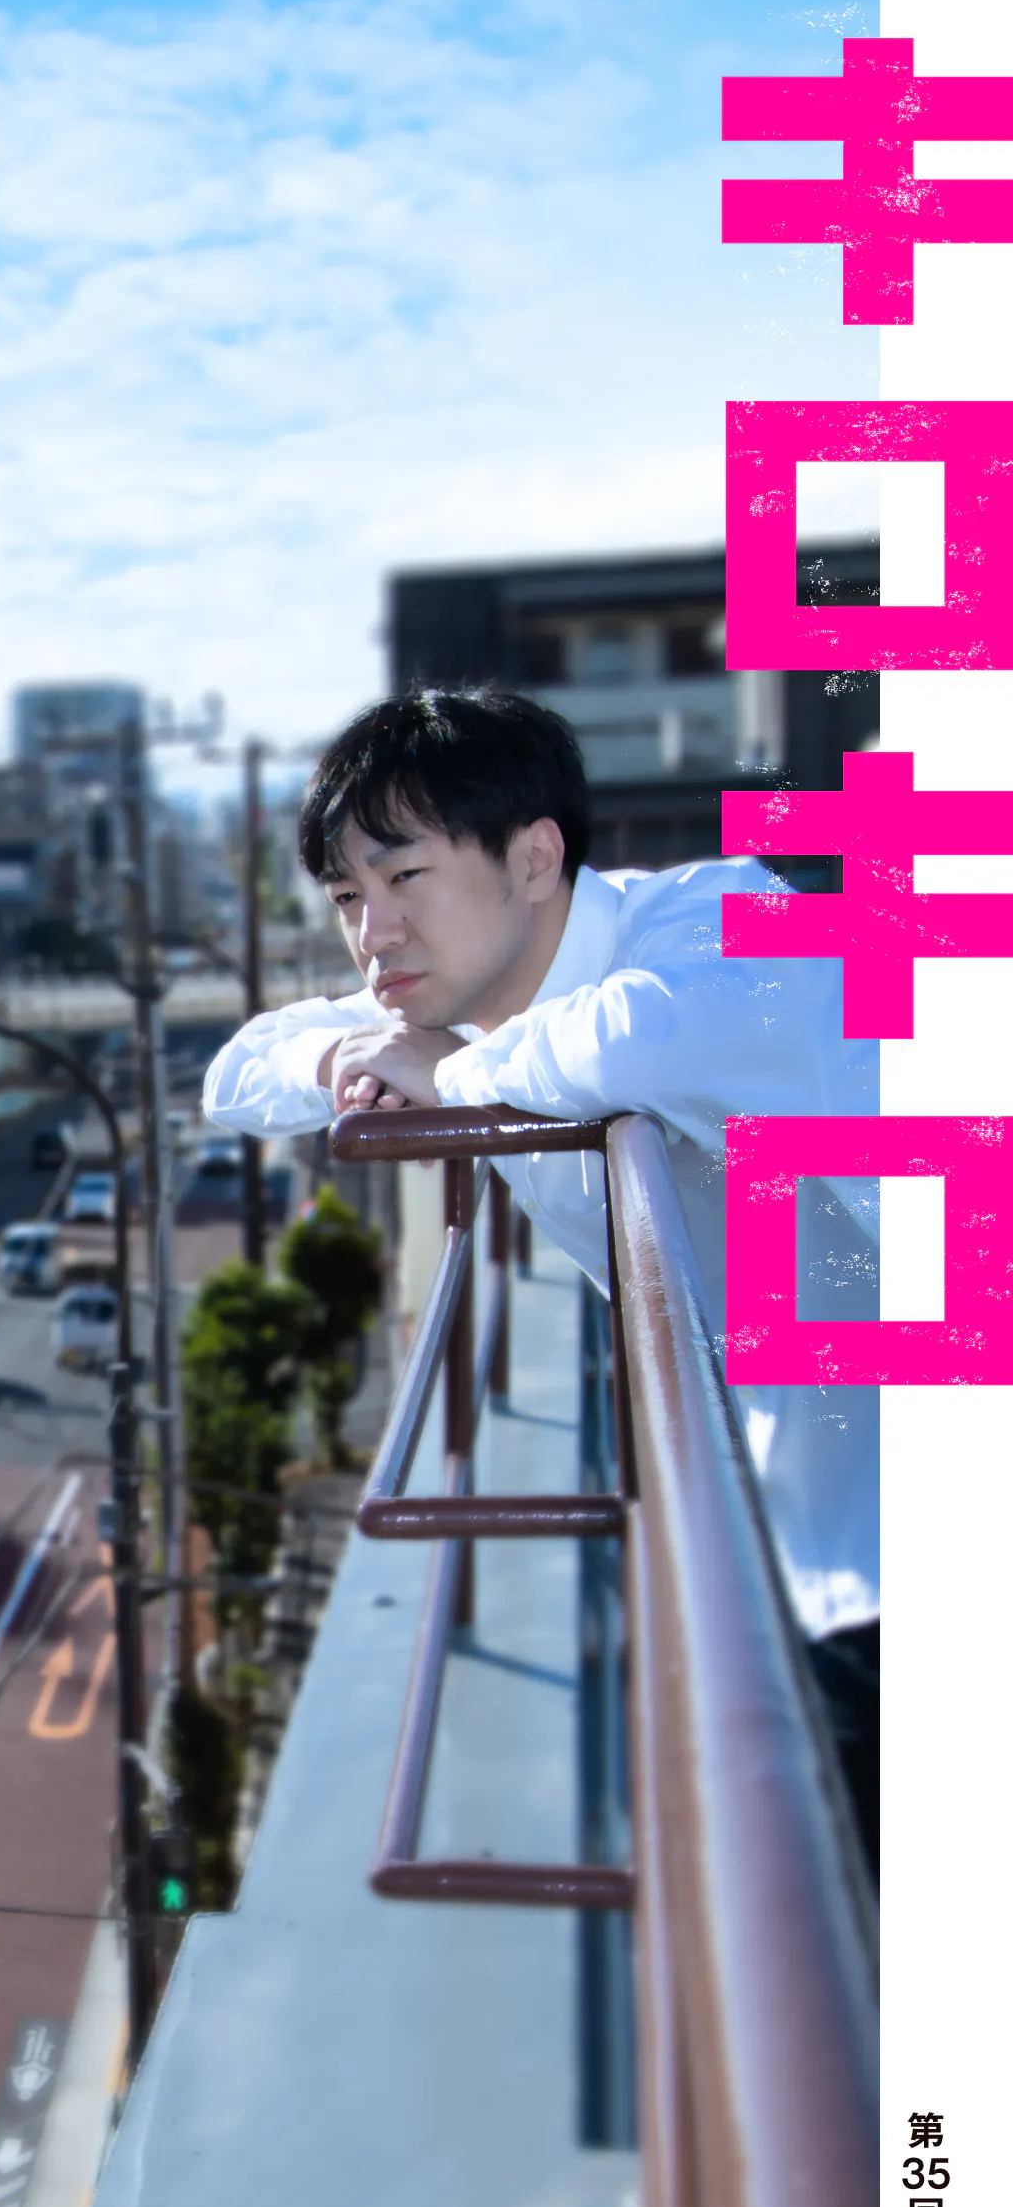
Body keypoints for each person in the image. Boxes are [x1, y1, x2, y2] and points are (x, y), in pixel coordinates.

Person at [202, 684, 879, 1870]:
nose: (372, 934)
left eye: (403, 877)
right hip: (796, 1533)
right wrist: (347, 1052)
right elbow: (237, 1072)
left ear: (531, 858)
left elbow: (649, 1032)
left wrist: (453, 1076)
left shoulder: (718, 918)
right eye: (347, 897)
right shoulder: (458, 992)